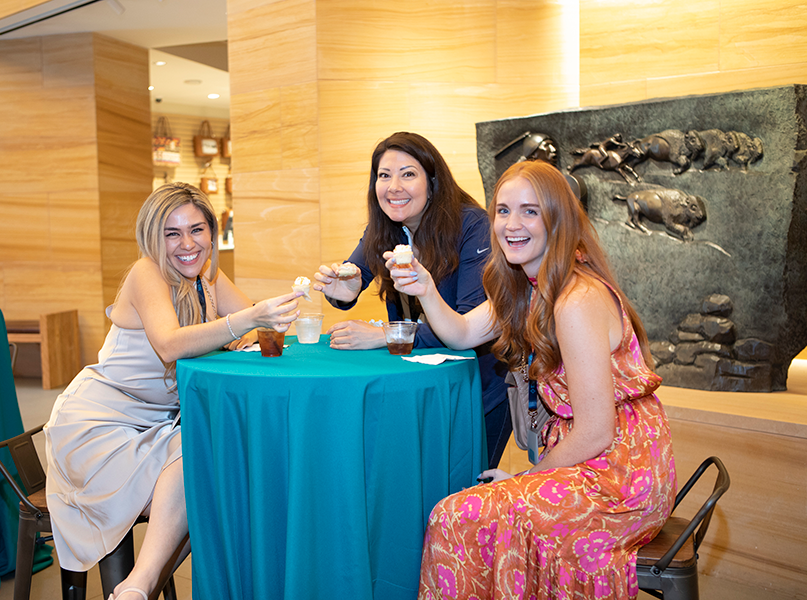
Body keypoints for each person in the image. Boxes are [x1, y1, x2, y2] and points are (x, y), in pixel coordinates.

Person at [387, 160, 676, 599]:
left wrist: (528, 479)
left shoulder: (575, 300)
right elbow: (462, 332)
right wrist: (426, 288)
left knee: (455, 517)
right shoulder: (527, 286)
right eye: (503, 211)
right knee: (462, 513)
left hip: (620, 476)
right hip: (591, 458)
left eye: (529, 211)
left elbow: (597, 432)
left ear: (557, 219)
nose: (511, 224)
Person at [44, 183, 302, 600]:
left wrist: (269, 321)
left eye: (197, 230)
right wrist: (249, 319)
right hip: (99, 424)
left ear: (212, 233)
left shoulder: (209, 276)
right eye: (172, 233)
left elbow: (258, 329)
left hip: (157, 427)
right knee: (203, 458)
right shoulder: (145, 272)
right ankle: (141, 585)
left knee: (219, 462)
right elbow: (170, 342)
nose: (187, 244)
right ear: (153, 237)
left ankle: (139, 585)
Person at [313, 131, 511, 468]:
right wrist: (342, 293)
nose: (394, 187)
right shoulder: (386, 226)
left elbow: (465, 327)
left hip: (478, 390)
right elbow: (352, 277)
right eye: (384, 175)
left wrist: (385, 336)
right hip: (420, 390)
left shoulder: (472, 226)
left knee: (464, 497)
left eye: (408, 174)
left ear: (433, 182)